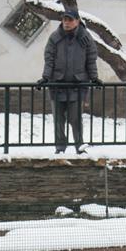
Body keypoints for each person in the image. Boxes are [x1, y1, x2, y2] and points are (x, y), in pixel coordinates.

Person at [37, 9, 100, 155]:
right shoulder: (55, 37)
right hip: (57, 85)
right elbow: (49, 59)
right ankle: (60, 148)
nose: (66, 22)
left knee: (75, 118)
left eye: (70, 20)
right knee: (58, 120)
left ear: (77, 21)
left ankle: (79, 145)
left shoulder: (85, 38)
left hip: (77, 85)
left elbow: (91, 59)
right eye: (64, 19)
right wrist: (46, 77)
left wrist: (94, 77)